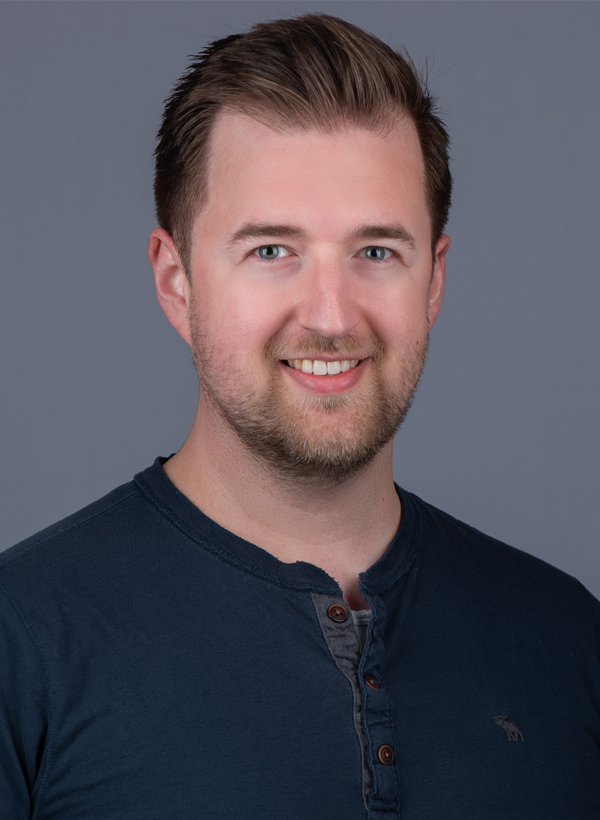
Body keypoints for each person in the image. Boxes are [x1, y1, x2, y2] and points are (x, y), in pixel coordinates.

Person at [1, 13, 598, 819]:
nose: (330, 315)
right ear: (177, 282)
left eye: (376, 251)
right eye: (272, 251)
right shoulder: (23, 641)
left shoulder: (565, 637)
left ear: (433, 282)